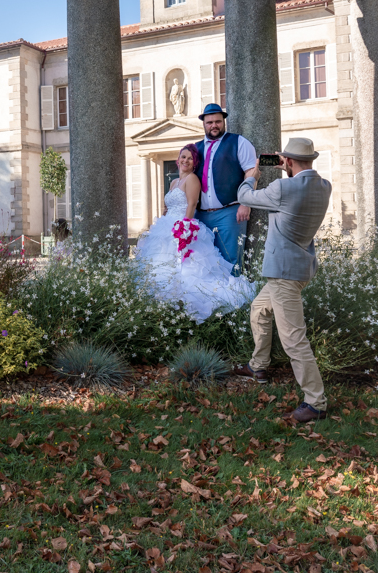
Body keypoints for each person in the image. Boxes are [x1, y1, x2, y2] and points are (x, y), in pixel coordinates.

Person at [233, 137, 332, 423]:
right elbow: (298, 185)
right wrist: (288, 167)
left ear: (287, 160)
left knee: (294, 340)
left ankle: (315, 402)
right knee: (259, 309)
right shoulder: (324, 186)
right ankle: (258, 366)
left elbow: (244, 196)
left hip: (283, 273)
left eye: (285, 161)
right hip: (299, 268)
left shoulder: (282, 188)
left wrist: (253, 176)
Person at [135, 144, 256, 321]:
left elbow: (191, 205)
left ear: (194, 163)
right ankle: (164, 309)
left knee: (185, 270)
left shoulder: (192, 179)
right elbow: (168, 207)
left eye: (190, 158)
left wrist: (184, 230)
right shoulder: (174, 182)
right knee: (160, 267)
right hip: (167, 225)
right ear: (178, 159)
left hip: (182, 226)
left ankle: (187, 307)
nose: (186, 161)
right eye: (183, 157)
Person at [193, 103, 258, 270]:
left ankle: (235, 288)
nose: (214, 125)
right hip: (200, 216)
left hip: (230, 213)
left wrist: (246, 203)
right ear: (204, 124)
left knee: (231, 262)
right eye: (210, 122)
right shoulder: (195, 149)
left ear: (223, 122)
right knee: (203, 265)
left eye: (218, 121)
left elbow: (252, 172)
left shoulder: (239, 142)